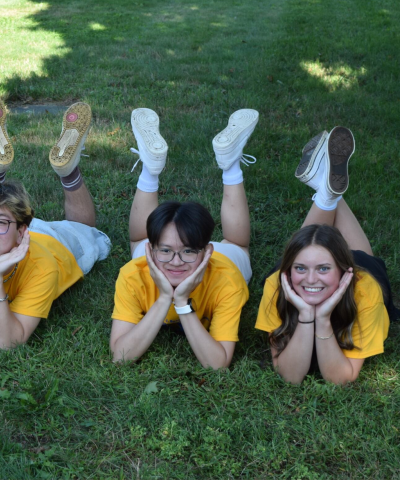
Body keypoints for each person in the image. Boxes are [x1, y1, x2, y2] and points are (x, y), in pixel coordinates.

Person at [0, 95, 111, 349]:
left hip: (56, 244)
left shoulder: (43, 265)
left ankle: (65, 171)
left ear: (22, 231)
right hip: (13, 232)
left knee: (86, 232)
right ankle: (1, 176)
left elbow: (8, 343)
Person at [110, 107, 259, 369]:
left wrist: (182, 303)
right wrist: (166, 297)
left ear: (207, 252)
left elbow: (217, 364)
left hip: (224, 262)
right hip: (149, 263)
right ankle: (229, 163)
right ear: (152, 250)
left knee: (236, 247)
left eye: (189, 251)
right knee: (139, 240)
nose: (176, 262)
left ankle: (152, 169)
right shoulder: (133, 274)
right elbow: (120, 357)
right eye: (165, 250)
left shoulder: (228, 280)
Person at [255, 127, 399, 384]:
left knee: (363, 256)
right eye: (300, 269)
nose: (311, 279)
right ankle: (327, 191)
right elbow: (290, 375)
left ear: (344, 271)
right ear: (288, 271)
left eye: (323, 269)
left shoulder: (366, 293)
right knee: (307, 248)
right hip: (312, 271)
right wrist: (306, 314)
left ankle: (325, 190)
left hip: (360, 272)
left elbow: (341, 379)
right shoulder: (277, 286)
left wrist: (321, 318)